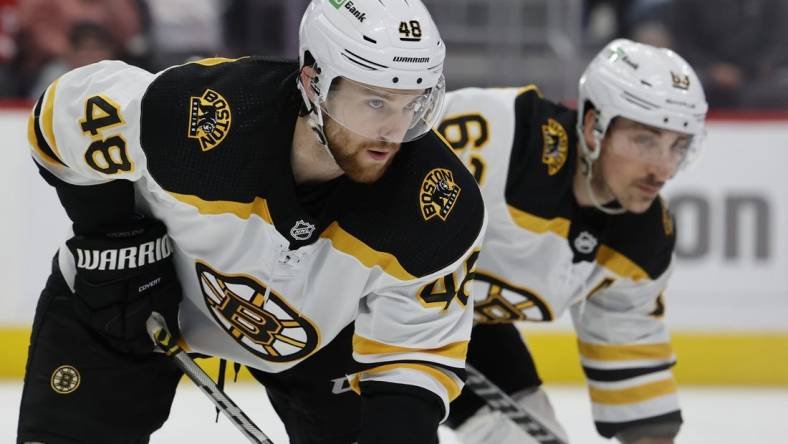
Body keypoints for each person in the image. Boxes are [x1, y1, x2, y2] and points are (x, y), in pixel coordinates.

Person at [17, 0, 486, 443]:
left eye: (413, 104)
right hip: (133, 297)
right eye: (376, 103)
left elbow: (413, 360)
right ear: (312, 81)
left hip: (319, 344)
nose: (395, 132)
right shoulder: (203, 115)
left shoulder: (438, 207)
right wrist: (114, 236)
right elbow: (63, 113)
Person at [436, 39, 707, 444]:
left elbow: (628, 344)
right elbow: (368, 171)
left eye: (677, 146)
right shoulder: (500, 137)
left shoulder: (643, 239)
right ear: (592, 126)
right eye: (645, 140)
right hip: (345, 306)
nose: (662, 169)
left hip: (459, 327)